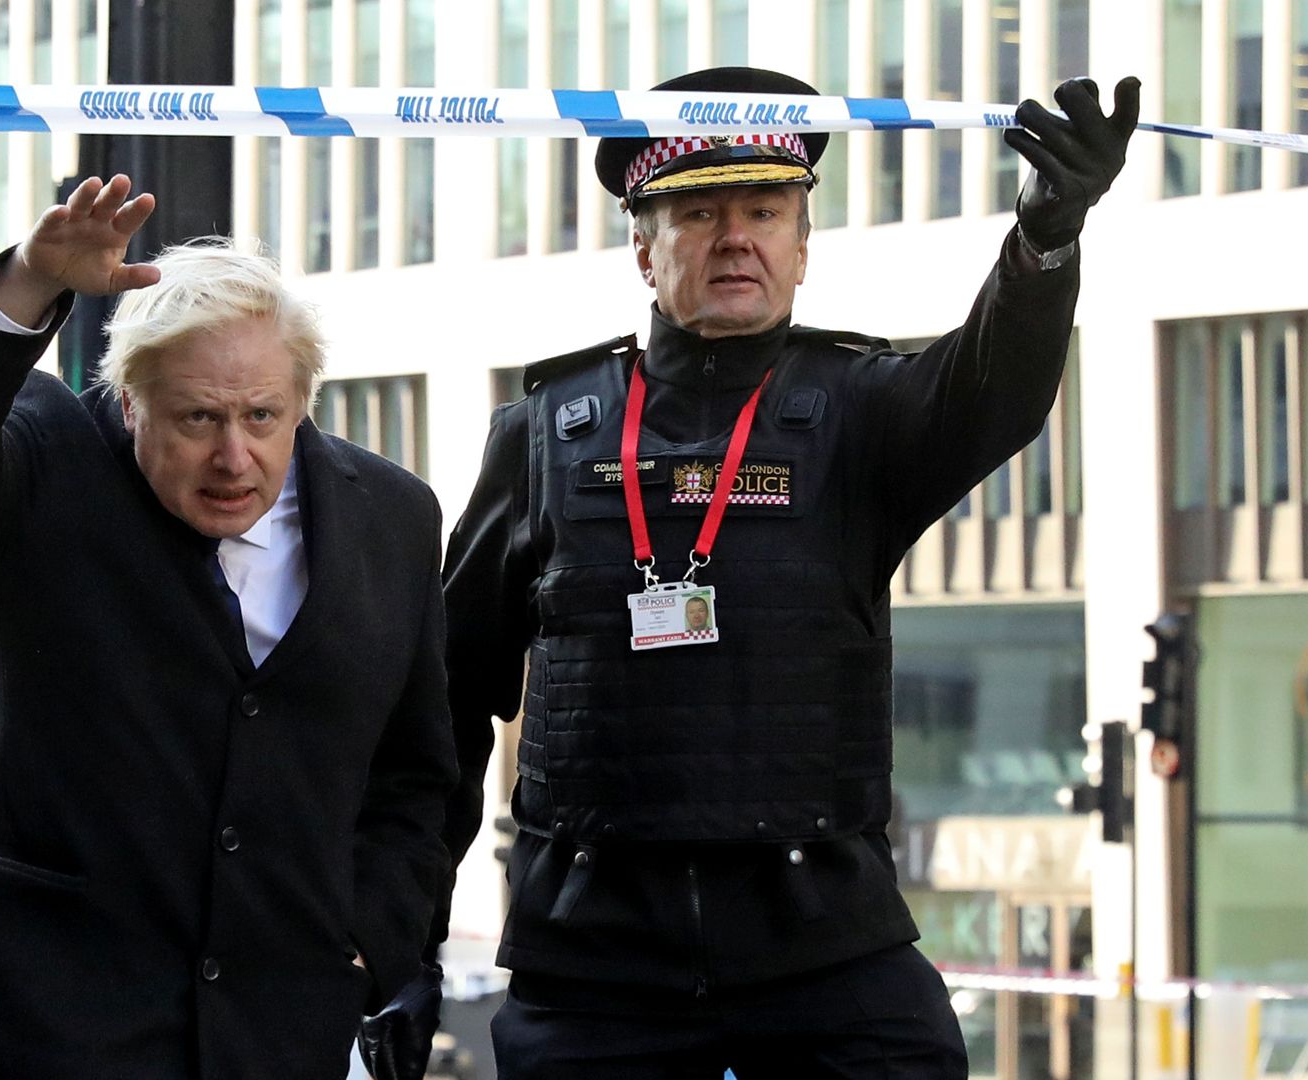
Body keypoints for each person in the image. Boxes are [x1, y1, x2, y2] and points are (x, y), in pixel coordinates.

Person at [367, 66, 1140, 1078]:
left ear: (802, 245)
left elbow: (992, 391)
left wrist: (1045, 233)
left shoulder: (865, 414)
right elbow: (443, 711)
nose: (737, 237)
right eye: (700, 211)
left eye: (765, 210)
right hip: (597, 962)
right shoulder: (544, 438)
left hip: (821, 945)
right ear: (644, 249)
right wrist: (396, 946)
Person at [0, 175, 457, 1078]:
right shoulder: (40, 469)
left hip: (271, 1041)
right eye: (197, 419)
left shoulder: (395, 519)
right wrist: (28, 279)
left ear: (302, 401)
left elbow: (415, 781)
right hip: (32, 1039)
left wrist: (365, 943)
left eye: (263, 416)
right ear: (130, 400)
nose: (233, 454)